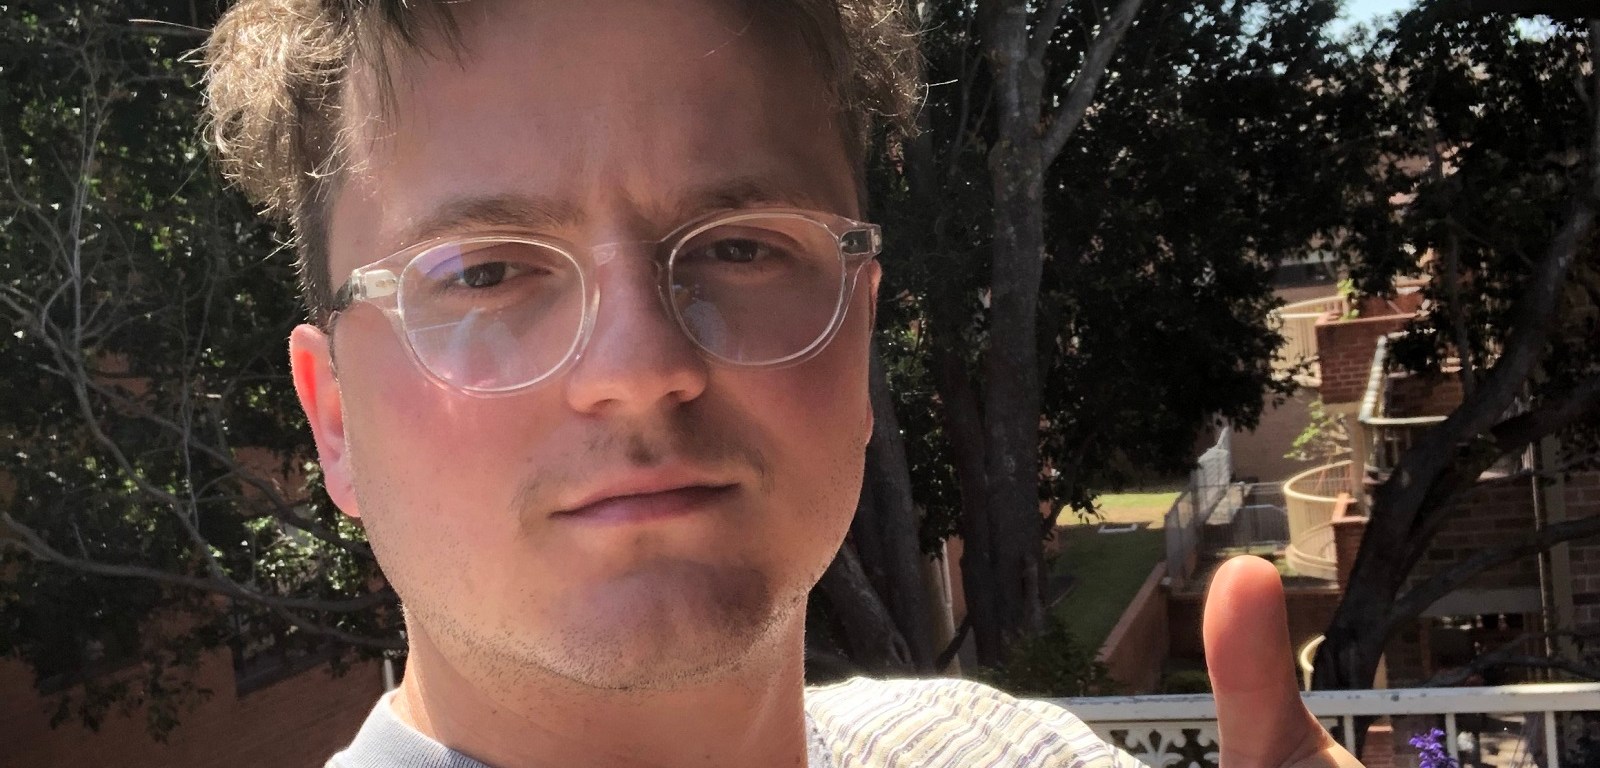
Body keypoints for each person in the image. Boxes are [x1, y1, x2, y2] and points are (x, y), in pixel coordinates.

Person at [202, 1, 1367, 766]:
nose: (640, 369)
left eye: (737, 245)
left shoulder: (1005, 754)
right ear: (336, 421)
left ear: (858, 338)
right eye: (487, 271)